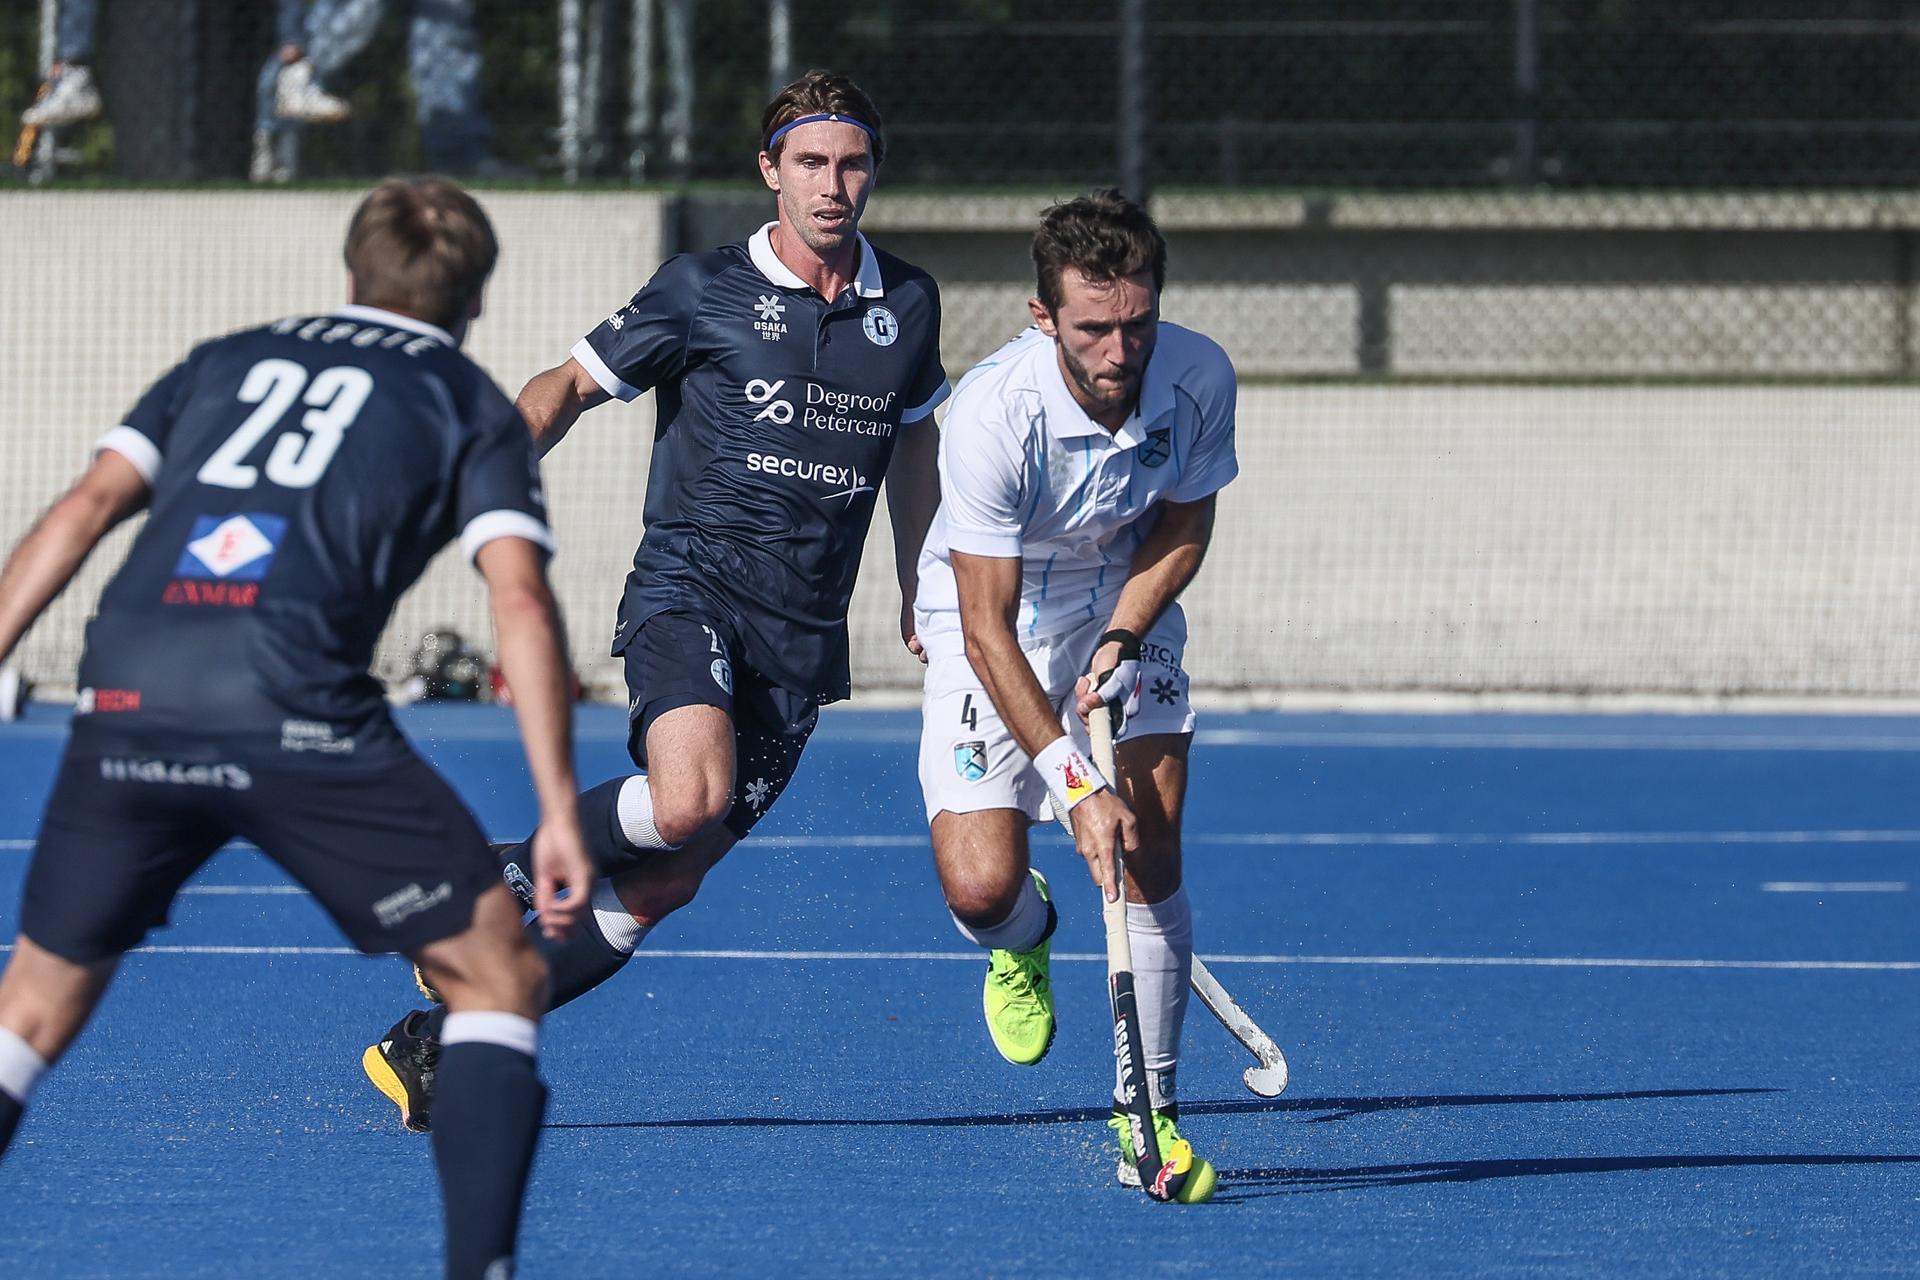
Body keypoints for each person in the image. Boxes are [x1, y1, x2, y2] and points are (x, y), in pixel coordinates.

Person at [0, 177, 595, 1278]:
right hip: (295, 709)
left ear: (349, 275)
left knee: (26, 1012)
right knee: (499, 979)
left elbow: (83, 508)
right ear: (472, 302)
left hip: (130, 689)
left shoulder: (223, 360)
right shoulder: (465, 403)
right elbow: (518, 599)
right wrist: (557, 805)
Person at [361, 70, 948, 1127]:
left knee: (669, 880)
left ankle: (440, 1046)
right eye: (810, 162)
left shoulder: (907, 302)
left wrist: (921, 571)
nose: (832, 186)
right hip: (693, 587)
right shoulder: (702, 286)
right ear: (771, 171)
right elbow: (569, 383)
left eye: (852, 163)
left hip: (803, 635)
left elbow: (916, 438)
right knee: (685, 800)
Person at [912, 189, 1237, 1200]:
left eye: (1138, 321)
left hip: (1120, 595)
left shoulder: (1197, 376)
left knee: (1147, 843)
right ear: (1042, 314)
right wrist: (1070, 779)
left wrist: (1123, 633)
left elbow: (1184, 525)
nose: (1119, 348)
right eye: (1094, 326)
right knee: (977, 888)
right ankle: (1025, 939)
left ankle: (1153, 1109)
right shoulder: (992, 416)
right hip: (993, 608)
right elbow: (983, 625)